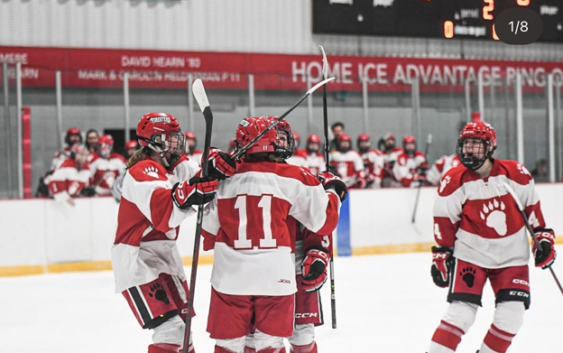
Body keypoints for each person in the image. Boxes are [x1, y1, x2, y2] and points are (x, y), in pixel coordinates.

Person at [201, 116, 346, 353]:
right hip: (276, 276)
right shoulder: (296, 176)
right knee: (269, 344)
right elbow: (324, 221)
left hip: (230, 277)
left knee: (228, 345)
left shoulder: (222, 180)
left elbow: (207, 232)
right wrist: (333, 190)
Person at [110, 112, 236, 353]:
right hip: (138, 259)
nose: (178, 142)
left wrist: (216, 164)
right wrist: (192, 190)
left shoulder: (173, 165)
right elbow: (164, 214)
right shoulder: (142, 170)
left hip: (164, 256)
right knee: (172, 330)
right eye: (171, 138)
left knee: (184, 331)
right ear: (156, 141)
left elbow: (199, 177)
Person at [428, 121, 556, 353]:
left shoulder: (516, 174)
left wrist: (543, 242)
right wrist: (441, 255)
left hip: (512, 258)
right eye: (466, 144)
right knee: (462, 313)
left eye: (476, 145)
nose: (469, 150)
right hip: (470, 255)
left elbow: (534, 216)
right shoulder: (453, 181)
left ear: (490, 147)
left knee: (512, 316)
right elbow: (444, 222)